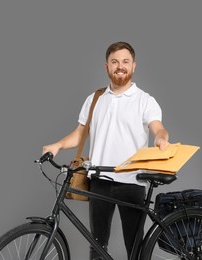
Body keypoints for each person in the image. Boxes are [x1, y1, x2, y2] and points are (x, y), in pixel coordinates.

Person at [42, 41, 169, 259]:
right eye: (115, 62)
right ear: (107, 67)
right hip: (99, 181)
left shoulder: (145, 100)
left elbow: (157, 127)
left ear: (134, 66)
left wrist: (161, 138)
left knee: (135, 249)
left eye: (125, 62)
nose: (120, 66)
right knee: (97, 245)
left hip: (132, 181)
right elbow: (80, 133)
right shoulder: (95, 99)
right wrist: (58, 145)